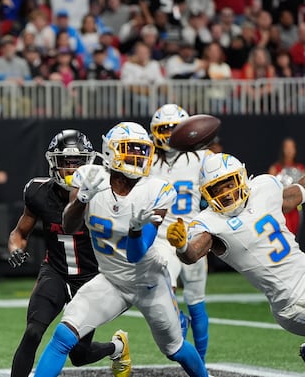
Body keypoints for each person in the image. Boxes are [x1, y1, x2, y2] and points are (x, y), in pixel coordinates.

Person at [165, 118, 305, 376]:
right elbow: (192, 254)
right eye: (216, 188)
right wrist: (181, 246)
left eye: (229, 183)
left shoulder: (264, 187)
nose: (225, 193)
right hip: (297, 305)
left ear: (243, 178)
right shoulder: (210, 222)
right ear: (207, 193)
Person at [33, 122, 209, 377]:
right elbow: (68, 226)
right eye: (130, 149)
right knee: (63, 336)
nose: (137, 156)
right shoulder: (90, 177)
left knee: (175, 348)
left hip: (148, 282)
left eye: (141, 150)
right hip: (111, 280)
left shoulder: (157, 189)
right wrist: (82, 199)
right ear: (111, 150)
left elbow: (137, 253)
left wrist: (137, 229)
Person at [9, 129, 126, 377]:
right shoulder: (38, 192)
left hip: (92, 279)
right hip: (56, 272)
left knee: (79, 356)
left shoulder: (105, 194)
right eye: (66, 163)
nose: (72, 170)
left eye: (78, 163)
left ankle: (117, 347)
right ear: (54, 164)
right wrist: (16, 248)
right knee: (32, 332)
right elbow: (19, 232)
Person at [149, 105, 210, 363]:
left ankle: (201, 362)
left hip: (193, 236)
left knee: (197, 302)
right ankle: (178, 323)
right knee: (164, 291)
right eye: (164, 129)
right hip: (162, 239)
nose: (170, 134)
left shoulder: (203, 157)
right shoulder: (148, 159)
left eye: (175, 128)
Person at [268, 138, 305, 237]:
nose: (289, 150)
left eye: (292, 147)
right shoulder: (275, 169)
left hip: (295, 210)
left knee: (293, 237)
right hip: (280, 210)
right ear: (282, 149)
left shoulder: (300, 168)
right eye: (287, 147)